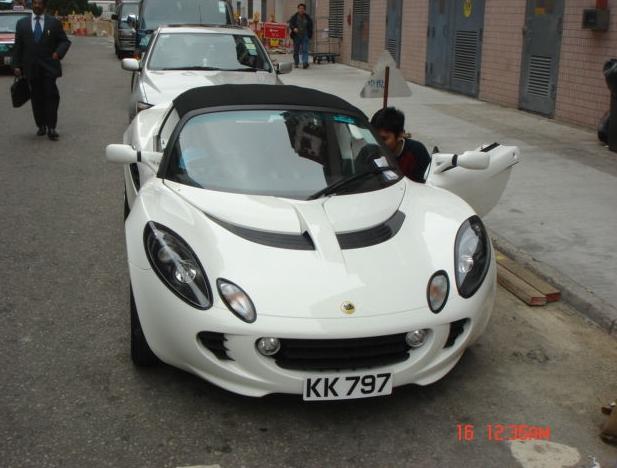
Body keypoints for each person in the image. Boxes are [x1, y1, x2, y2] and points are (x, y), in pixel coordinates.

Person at [12, 0, 71, 141]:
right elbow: (18, 46)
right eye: (35, 3)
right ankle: (41, 125)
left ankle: (51, 127)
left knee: (51, 95)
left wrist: (58, 53)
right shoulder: (22, 24)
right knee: (36, 97)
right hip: (31, 68)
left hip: (49, 66)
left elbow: (65, 41)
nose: (37, 6)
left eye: (40, 3)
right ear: (32, 5)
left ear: (44, 6)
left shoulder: (54, 23)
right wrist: (16, 65)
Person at [370, 107, 431, 183]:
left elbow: (426, 183)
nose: (378, 143)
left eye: (384, 139)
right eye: (374, 137)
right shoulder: (368, 152)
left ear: (399, 135)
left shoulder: (417, 152)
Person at [288, 3, 313, 69]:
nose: (301, 10)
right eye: (300, 8)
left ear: (304, 10)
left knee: (305, 49)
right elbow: (290, 24)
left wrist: (310, 34)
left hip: (305, 35)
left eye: (302, 8)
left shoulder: (307, 17)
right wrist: (294, 28)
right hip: (297, 35)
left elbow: (310, 26)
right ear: (298, 9)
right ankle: (296, 62)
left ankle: (305, 63)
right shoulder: (294, 17)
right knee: (296, 50)